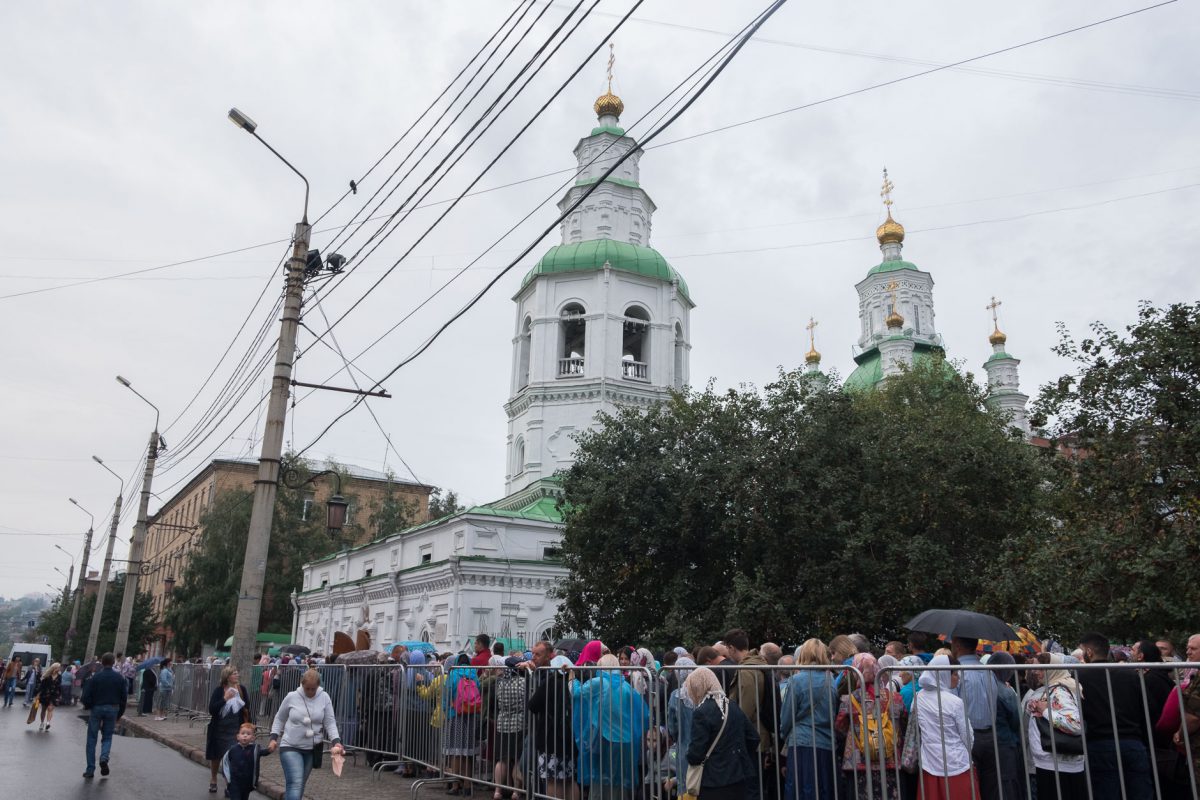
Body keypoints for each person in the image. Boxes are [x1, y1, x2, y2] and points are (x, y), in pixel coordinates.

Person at [1077, 632, 1153, 800]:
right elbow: (1148, 707)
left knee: (1105, 792)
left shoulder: (1080, 676)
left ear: (1089, 652)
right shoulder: (1131, 674)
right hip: (1133, 742)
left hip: (1099, 743)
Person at [575, 653, 651, 800]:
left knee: (601, 777)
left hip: (606, 739)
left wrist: (572, 678)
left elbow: (577, 693)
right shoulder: (626, 686)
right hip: (626, 741)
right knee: (620, 780)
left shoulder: (599, 682)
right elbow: (642, 713)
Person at [907, 655, 978, 799]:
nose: (957, 677)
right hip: (957, 763)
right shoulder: (955, 702)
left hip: (929, 762)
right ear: (944, 674)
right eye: (955, 673)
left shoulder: (918, 698)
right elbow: (967, 735)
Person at [834, 652, 904, 800]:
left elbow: (840, 726)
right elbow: (901, 720)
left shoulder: (850, 699)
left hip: (859, 759)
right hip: (889, 757)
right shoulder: (895, 697)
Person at [684, 666, 759, 800]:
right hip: (739, 776)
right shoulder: (733, 706)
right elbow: (753, 737)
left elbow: (696, 753)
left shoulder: (701, 712)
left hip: (713, 780)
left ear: (696, 687)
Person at [268, 668, 344, 800]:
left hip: (311, 749)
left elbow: (330, 722)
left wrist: (336, 741)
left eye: (313, 689)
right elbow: (279, 718)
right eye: (307, 688)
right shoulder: (291, 696)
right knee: (296, 783)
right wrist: (273, 737)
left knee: (299, 785)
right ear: (302, 685)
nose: (310, 692)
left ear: (318, 686)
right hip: (290, 745)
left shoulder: (324, 697)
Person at [779, 639, 837, 800]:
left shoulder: (797, 680)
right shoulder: (831, 680)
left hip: (802, 741)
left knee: (800, 789)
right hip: (826, 742)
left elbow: (786, 717)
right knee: (823, 789)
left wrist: (784, 735)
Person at [1024, 653, 1086, 799]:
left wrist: (1045, 711)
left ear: (1051, 669)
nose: (1035, 672)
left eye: (1040, 668)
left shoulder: (1059, 691)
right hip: (1054, 762)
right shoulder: (1053, 689)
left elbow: (1075, 724)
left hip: (1058, 765)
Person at [950, 636, 1001, 800]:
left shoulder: (957, 673)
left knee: (968, 789)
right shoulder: (989, 672)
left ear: (957, 645)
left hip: (967, 738)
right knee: (990, 788)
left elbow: (951, 708)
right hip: (990, 736)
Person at [526, 640, 576, 800]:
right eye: (533, 653)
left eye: (538, 654)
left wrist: (532, 677)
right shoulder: (569, 681)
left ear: (550, 657)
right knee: (569, 779)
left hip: (551, 736)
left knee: (553, 780)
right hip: (567, 735)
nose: (534, 657)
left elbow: (532, 705)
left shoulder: (550, 680)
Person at [985, 652, 1026, 799]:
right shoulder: (1006, 692)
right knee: (1008, 783)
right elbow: (1016, 720)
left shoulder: (983, 686)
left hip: (988, 741)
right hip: (1006, 743)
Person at [207, 665, 253, 794]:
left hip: (235, 730)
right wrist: (225, 699)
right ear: (227, 677)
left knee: (233, 758)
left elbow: (246, 708)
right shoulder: (219, 690)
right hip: (219, 729)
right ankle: (213, 779)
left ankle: (229, 784)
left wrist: (249, 726)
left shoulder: (241, 689)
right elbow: (212, 709)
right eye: (234, 673)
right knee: (216, 757)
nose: (237, 675)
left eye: (237, 673)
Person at [81, 652, 128, 779]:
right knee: (107, 737)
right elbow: (124, 697)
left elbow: (85, 696)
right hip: (113, 708)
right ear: (113, 663)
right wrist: (120, 713)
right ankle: (104, 757)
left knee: (91, 738)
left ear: (102, 662)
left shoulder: (95, 677)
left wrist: (89, 705)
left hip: (97, 708)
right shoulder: (120, 678)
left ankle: (90, 769)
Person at [444, 653, 482, 795]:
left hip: (455, 716)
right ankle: (467, 784)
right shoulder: (474, 674)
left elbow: (446, 696)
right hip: (471, 716)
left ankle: (455, 784)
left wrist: (446, 711)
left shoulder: (453, 674)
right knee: (468, 752)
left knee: (456, 751)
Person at [492, 656, 527, 800]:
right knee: (517, 759)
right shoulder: (523, 682)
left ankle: (498, 791)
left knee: (502, 759)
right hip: (518, 723)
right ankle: (515, 792)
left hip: (502, 723)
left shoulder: (500, 683)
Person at [222, 722, 269, 800]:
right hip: (234, 782)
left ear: (253, 738)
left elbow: (263, 752)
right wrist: (227, 778)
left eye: (248, 734)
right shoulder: (233, 749)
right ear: (238, 736)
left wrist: (270, 749)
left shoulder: (254, 749)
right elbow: (225, 762)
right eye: (243, 733)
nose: (245, 735)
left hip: (247, 783)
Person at [35, 662, 62, 731]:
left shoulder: (59, 676)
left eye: (59, 667)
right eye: (58, 667)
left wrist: (60, 695)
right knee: (43, 709)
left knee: (50, 709)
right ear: (54, 668)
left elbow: (59, 687)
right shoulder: (47, 676)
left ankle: (48, 723)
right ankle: (42, 723)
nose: (59, 668)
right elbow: (42, 686)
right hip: (45, 694)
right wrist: (38, 694)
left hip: (54, 695)